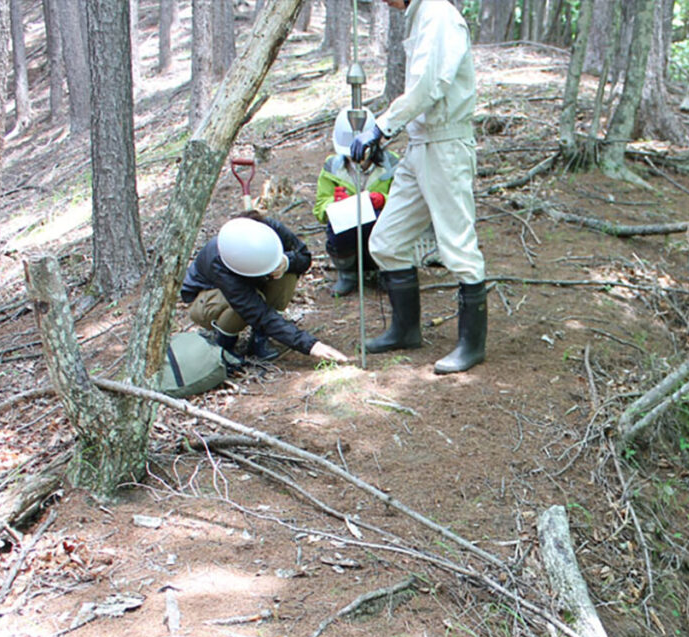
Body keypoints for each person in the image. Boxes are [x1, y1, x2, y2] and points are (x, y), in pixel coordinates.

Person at [351, 0, 486, 375]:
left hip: (446, 145)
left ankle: (471, 346)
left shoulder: (438, 13)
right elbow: (421, 96)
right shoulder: (420, 15)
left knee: (458, 245)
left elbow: (428, 87)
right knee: (387, 241)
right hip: (420, 144)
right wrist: (385, 136)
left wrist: (381, 127)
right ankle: (405, 330)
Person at [180, 212, 349, 365]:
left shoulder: (270, 229)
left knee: (287, 275)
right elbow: (255, 310)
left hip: (250, 285)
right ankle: (225, 343)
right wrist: (311, 345)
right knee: (240, 306)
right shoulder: (218, 258)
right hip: (205, 299)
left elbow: (304, 257)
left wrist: (287, 261)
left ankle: (260, 338)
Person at [313, 107, 399, 297]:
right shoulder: (332, 167)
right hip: (347, 234)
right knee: (337, 227)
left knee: (382, 223)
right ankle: (348, 273)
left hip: (382, 231)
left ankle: (383, 270)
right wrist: (333, 204)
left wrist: (383, 200)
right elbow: (319, 207)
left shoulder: (392, 164)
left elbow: (406, 201)